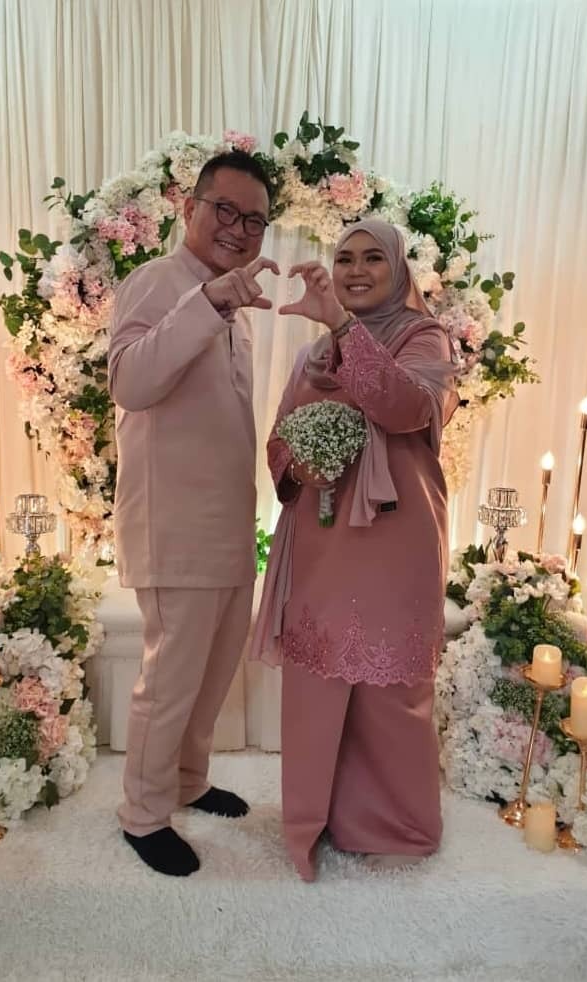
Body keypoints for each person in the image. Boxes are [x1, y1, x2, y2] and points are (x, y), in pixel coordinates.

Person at [251, 218, 459, 881]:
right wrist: (299, 464)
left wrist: (344, 327)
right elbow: (279, 439)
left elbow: (406, 407)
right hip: (322, 540)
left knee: (388, 687)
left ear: (398, 270)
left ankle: (397, 825)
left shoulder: (424, 338)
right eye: (345, 259)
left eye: (374, 258)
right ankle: (317, 819)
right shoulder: (312, 357)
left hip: (395, 540)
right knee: (320, 683)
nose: (357, 270)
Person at [108, 150, 278, 876]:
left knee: (212, 676)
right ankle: (143, 814)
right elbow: (129, 381)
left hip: (229, 521)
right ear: (190, 208)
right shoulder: (158, 281)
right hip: (173, 524)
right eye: (225, 210)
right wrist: (206, 304)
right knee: (171, 680)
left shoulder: (235, 304)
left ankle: (186, 780)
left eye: (255, 220)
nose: (239, 228)